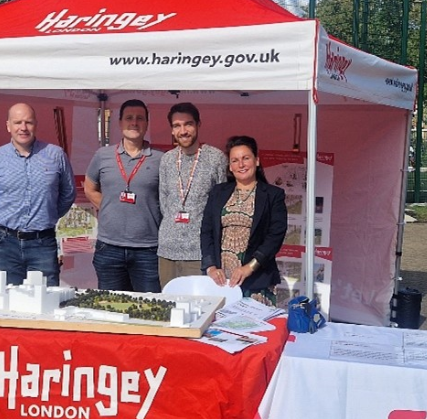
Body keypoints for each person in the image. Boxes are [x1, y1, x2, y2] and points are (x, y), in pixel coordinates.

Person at [0, 102, 75, 286]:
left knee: (47, 300)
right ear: (8, 126)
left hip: (42, 242)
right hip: (5, 243)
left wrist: (48, 215)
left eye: (28, 122)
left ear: (36, 125)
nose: (23, 128)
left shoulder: (55, 155)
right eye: (17, 122)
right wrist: (6, 218)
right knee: (6, 300)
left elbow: (68, 193)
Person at [84, 99, 162, 292]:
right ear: (119, 123)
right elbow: (89, 188)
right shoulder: (102, 155)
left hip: (148, 250)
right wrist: (111, 208)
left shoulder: (162, 159)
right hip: (109, 248)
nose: (134, 123)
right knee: (110, 307)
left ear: (147, 123)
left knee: (149, 311)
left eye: (139, 118)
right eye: (129, 118)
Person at [201, 135, 287, 303]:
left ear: (256, 161)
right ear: (230, 167)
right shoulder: (218, 193)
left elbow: (275, 236)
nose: (241, 164)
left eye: (246, 158)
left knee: (255, 328)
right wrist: (210, 267)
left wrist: (250, 267)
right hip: (221, 282)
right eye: (235, 160)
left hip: (256, 280)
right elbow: (206, 232)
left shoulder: (273, 195)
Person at [157, 102, 228, 287]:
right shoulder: (167, 159)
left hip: (199, 253)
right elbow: (164, 202)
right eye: (177, 126)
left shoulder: (216, 158)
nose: (183, 131)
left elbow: (221, 206)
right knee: (169, 307)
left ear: (198, 125)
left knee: (199, 309)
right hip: (167, 250)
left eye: (188, 124)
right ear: (172, 130)